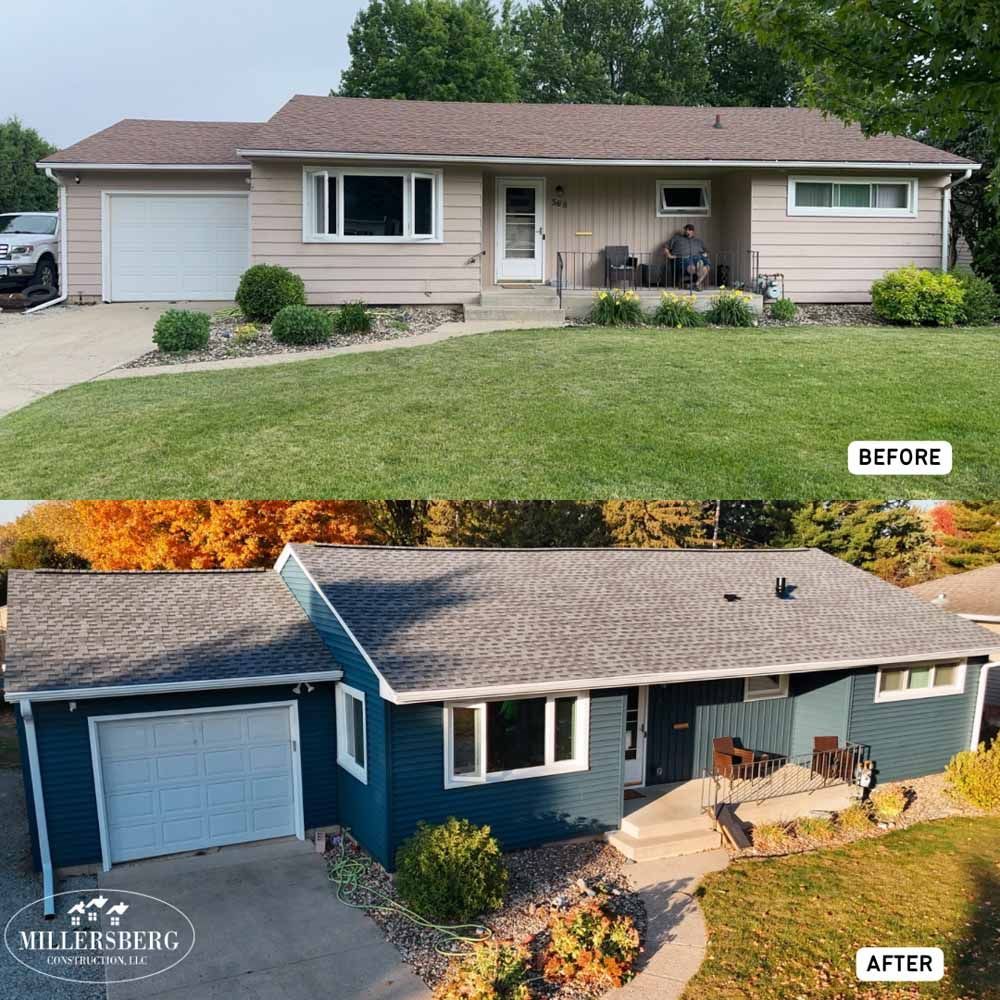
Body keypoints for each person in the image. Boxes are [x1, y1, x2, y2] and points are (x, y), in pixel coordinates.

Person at [665, 224, 711, 290]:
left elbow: (705, 251)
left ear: (693, 231)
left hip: (697, 257)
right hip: (683, 258)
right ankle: (697, 274)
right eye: (686, 229)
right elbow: (666, 247)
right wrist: (669, 255)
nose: (687, 231)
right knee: (692, 267)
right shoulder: (676, 238)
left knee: (706, 266)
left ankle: (697, 283)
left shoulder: (698, 241)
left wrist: (705, 254)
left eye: (689, 230)